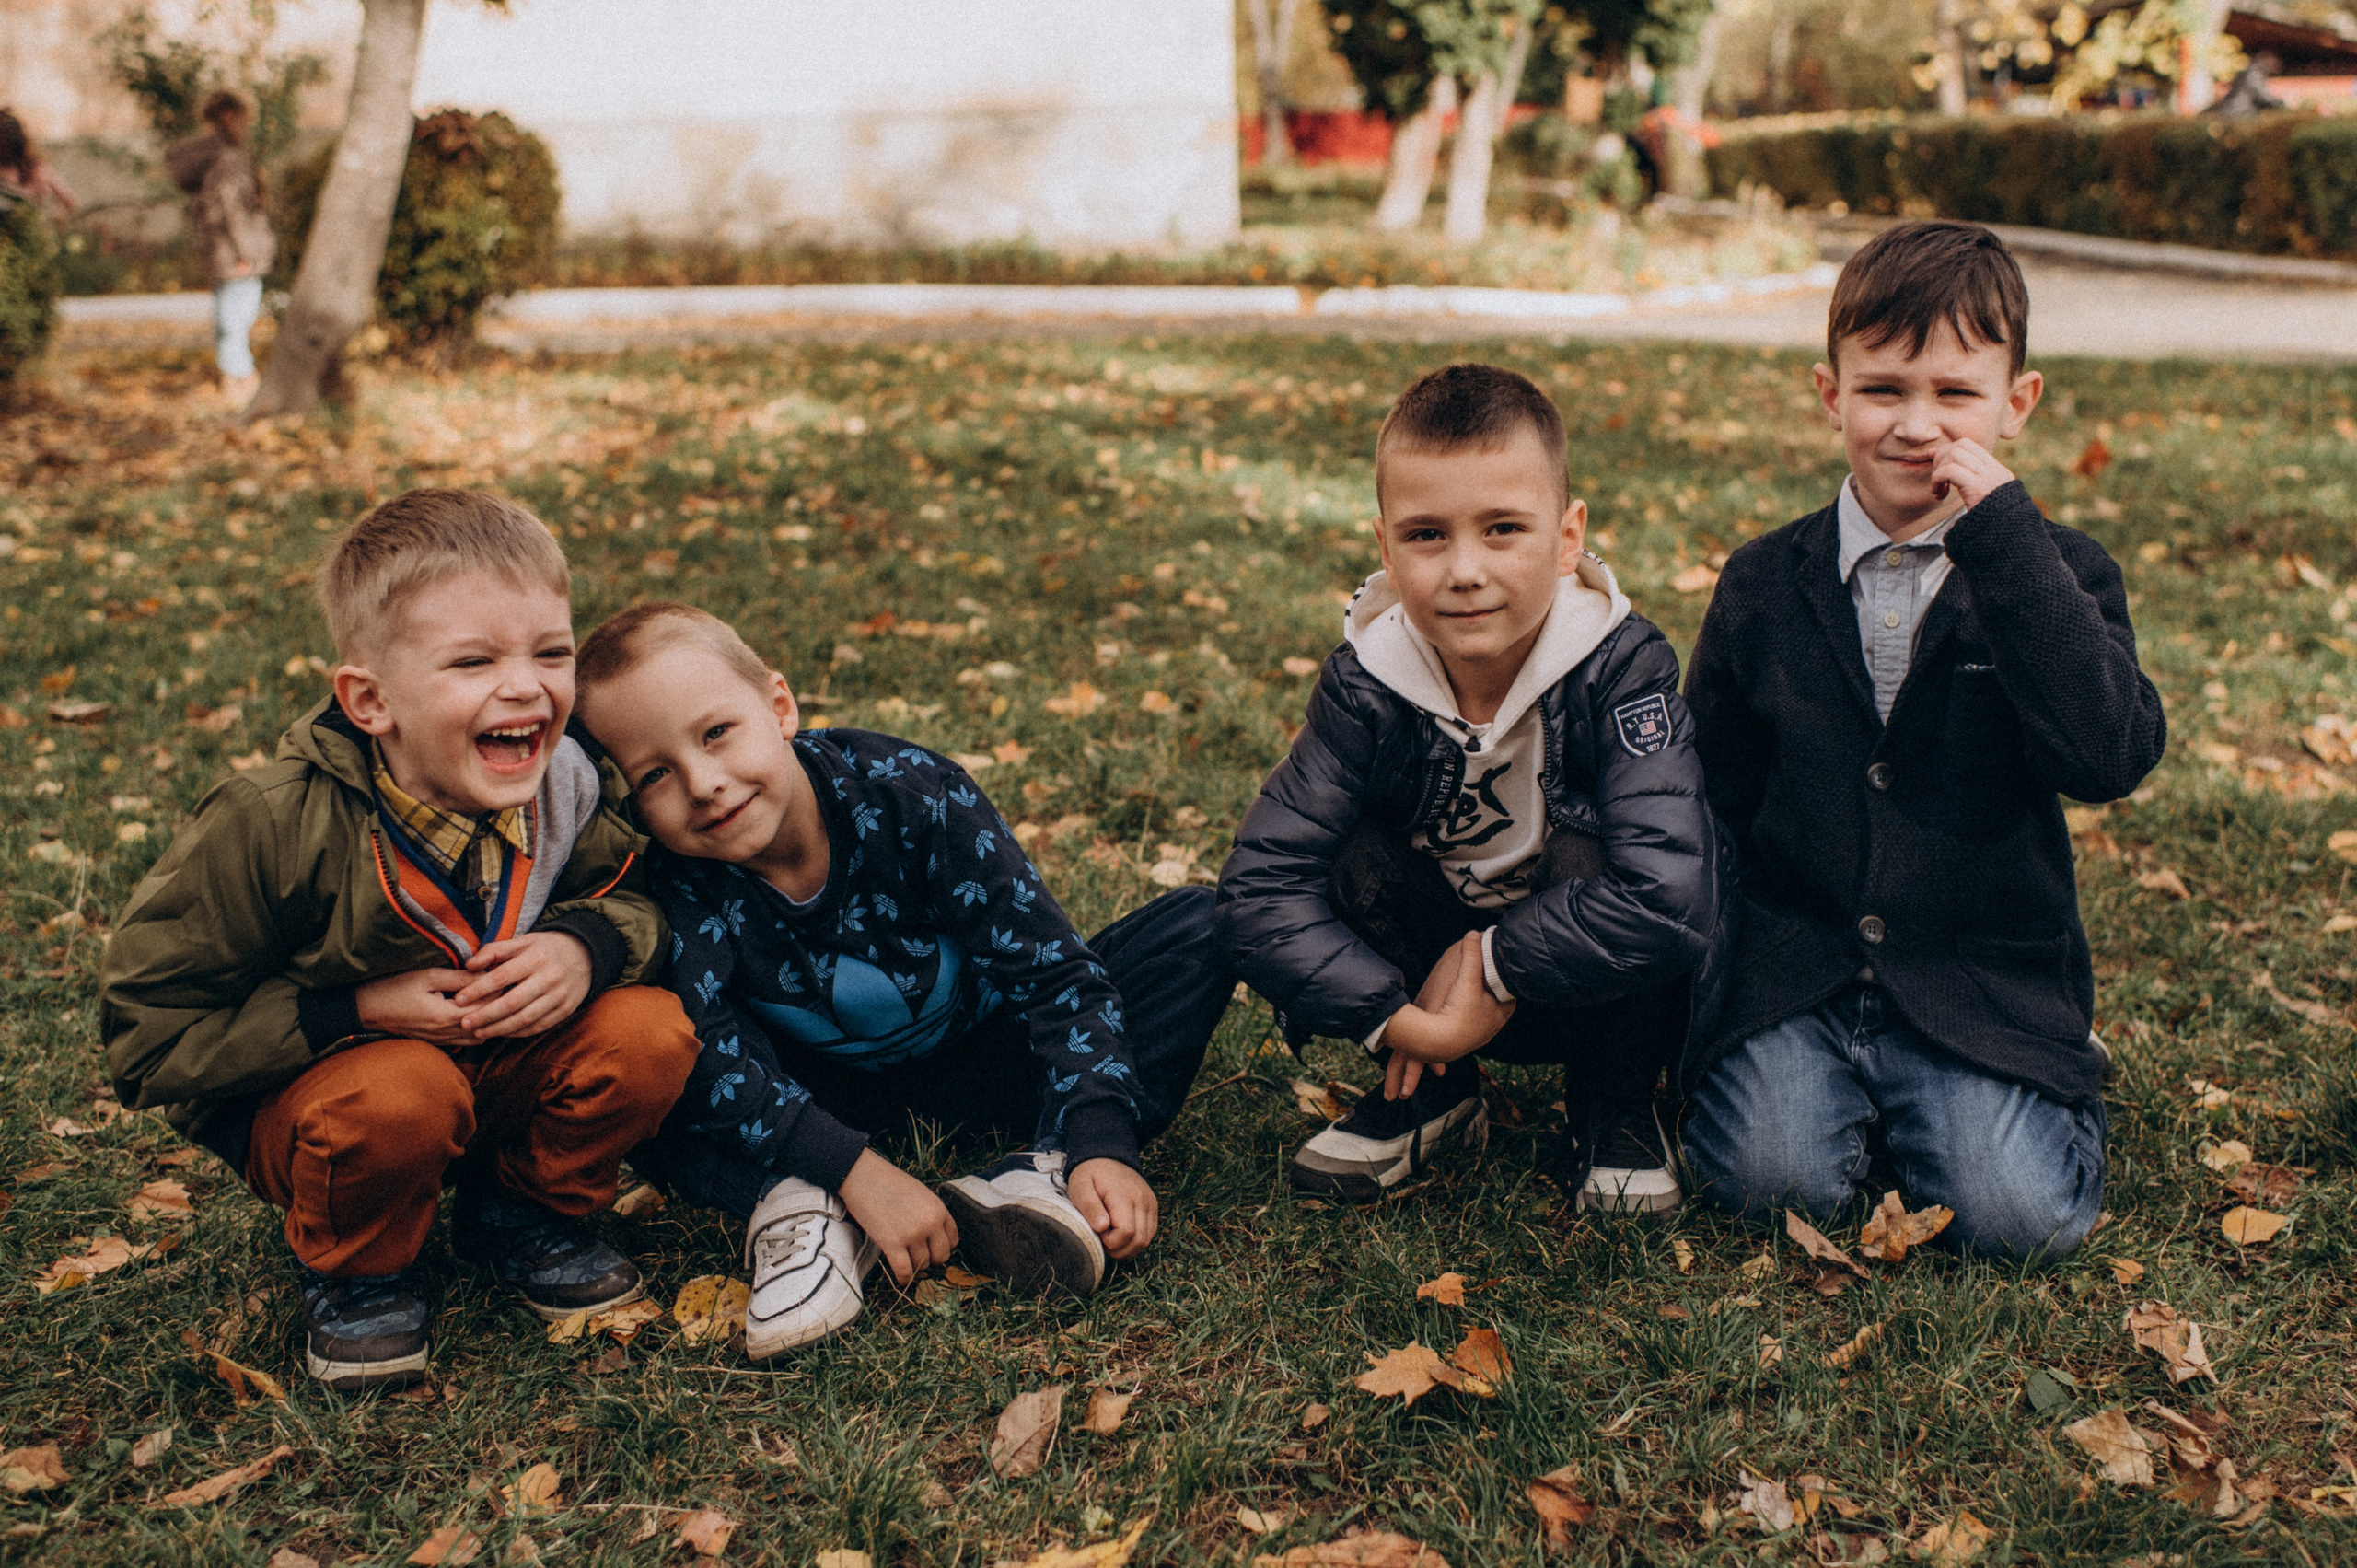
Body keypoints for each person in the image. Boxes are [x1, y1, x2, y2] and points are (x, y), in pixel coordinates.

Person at [101, 490, 701, 1390]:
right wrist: (351, 1006)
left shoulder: (571, 786)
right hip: (334, 1103)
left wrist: (587, 946)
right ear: (371, 699)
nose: (527, 685)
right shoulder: (271, 824)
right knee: (399, 1092)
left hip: (496, 1067)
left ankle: (526, 1215)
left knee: (649, 1031)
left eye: (551, 651)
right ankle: (359, 1272)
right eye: (472, 660)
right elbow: (145, 1037)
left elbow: (635, 898)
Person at [1680, 220, 2166, 1261]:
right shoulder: (1765, 581)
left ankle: (2033, 1069)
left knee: (2017, 1219)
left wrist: (2002, 539)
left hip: (1976, 971)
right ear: (1829, 395)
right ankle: (1850, 1097)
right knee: (1760, 1180)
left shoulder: (2058, 577)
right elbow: (1709, 793)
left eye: (1953, 394)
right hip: (1798, 967)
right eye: (1882, 389)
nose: (1915, 425)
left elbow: (2108, 755)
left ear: (2015, 405)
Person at [572, 604, 1229, 1360]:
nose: (705, 783)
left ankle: (1043, 1169)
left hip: (993, 1056)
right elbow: (717, 1052)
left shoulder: (908, 793)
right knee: (650, 1057)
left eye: (716, 732)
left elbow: (1053, 974)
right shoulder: (673, 880)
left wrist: (1102, 1133)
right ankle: (801, 1203)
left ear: (779, 706)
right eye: (655, 774)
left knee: (1197, 926)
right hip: (817, 1102)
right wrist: (851, 1168)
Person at [1215, 363, 1732, 1212]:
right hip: (1429, 989)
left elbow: (1672, 892)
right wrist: (1397, 1019)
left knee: (1598, 847)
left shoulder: (1623, 665)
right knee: (1345, 849)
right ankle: (1429, 1086)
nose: (1464, 569)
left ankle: (1616, 1106)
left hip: (1579, 972)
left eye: (1502, 529)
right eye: (1426, 535)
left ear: (1568, 539)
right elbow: (1257, 886)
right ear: (1384, 545)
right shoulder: (1365, 682)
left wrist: (1498, 961)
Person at [164, 89, 273, 401]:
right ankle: (242, 378)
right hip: (237, 252)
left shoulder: (213, 158)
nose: (246, 125)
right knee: (236, 318)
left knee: (232, 316)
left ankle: (234, 377)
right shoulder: (230, 159)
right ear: (229, 117)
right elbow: (233, 209)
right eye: (243, 118)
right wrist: (246, 253)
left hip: (219, 249)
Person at [0, 110, 79, 216]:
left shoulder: (37, 168)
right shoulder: (36, 167)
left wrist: (59, 214)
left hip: (32, 225)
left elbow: (69, 200)